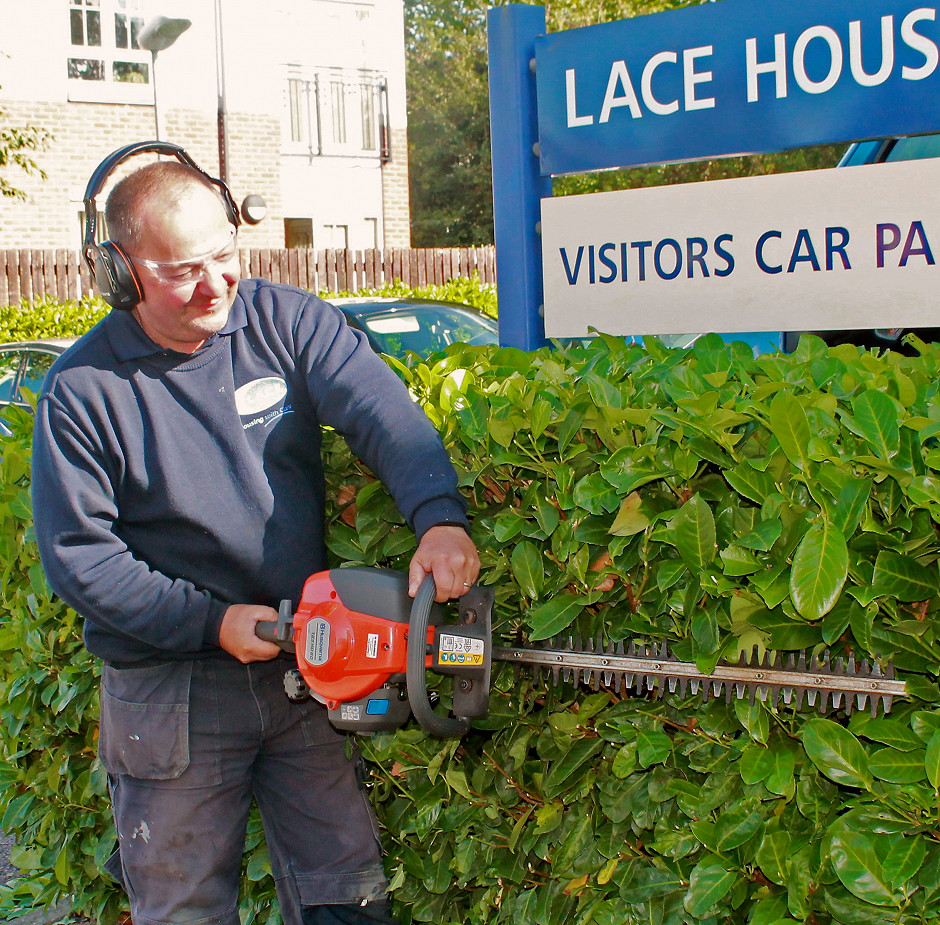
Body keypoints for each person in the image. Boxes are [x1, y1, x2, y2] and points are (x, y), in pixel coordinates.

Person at [30, 149, 480, 925]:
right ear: (117, 271)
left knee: (348, 891)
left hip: (303, 667)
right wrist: (212, 621)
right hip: (171, 690)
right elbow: (81, 558)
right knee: (185, 909)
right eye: (181, 271)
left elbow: (383, 413)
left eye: (225, 256)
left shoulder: (285, 320)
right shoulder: (82, 391)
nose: (215, 285)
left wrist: (438, 516)